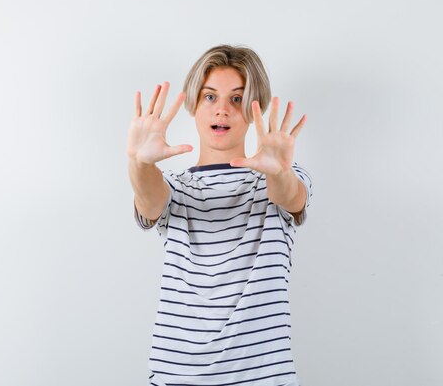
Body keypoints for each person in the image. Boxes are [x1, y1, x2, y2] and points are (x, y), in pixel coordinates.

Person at [127, 44, 313, 386]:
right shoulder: (175, 187)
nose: (222, 110)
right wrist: (140, 163)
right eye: (210, 97)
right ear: (194, 104)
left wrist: (279, 172)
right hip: (176, 377)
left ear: (255, 109)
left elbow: (290, 196)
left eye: (238, 99)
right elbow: (149, 200)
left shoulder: (280, 178)